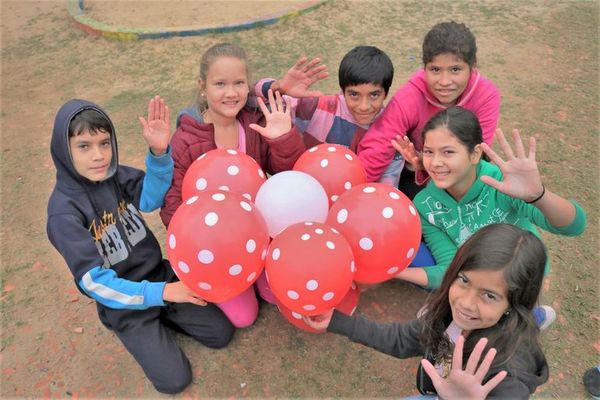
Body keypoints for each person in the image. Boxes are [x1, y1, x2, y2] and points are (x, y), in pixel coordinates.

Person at [46, 97, 234, 394]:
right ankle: (145, 325)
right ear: (63, 150)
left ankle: (163, 313)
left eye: (104, 144)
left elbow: (149, 199)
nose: (99, 156)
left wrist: (159, 153)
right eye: (84, 146)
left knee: (222, 333)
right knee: (174, 380)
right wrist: (160, 294)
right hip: (124, 305)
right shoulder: (63, 213)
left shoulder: (115, 175)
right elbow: (94, 283)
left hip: (159, 275)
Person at [305, 224, 550, 398]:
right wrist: (336, 322)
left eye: (489, 295)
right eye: (464, 280)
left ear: (516, 302)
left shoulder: (510, 379)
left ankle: (533, 319)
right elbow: (402, 339)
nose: (465, 303)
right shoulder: (446, 314)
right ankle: (535, 318)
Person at [393, 107, 587, 327]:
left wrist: (538, 196)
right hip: (475, 279)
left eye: (448, 152)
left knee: (510, 322)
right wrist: (392, 271)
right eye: (428, 152)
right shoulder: (425, 204)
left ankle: (533, 316)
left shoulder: (501, 184)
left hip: (519, 276)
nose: (435, 163)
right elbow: (448, 269)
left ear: (475, 154)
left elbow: (574, 226)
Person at [160, 43, 306, 327]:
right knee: (244, 318)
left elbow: (288, 178)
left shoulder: (254, 123)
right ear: (203, 87)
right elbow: (173, 203)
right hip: (217, 248)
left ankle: (258, 275)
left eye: (239, 83)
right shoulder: (186, 140)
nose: (231, 93)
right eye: (220, 84)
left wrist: (282, 139)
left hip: (259, 234)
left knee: (275, 295)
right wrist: (203, 245)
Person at [357, 21, 500, 199]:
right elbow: (380, 144)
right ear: (424, 68)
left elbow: (480, 155)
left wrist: (430, 164)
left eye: (455, 69)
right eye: (435, 70)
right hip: (416, 176)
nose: (445, 81)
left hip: (460, 177)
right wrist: (353, 191)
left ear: (472, 66)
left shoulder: (486, 95)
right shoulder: (412, 94)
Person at [254, 45, 404, 186]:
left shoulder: (392, 133)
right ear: (343, 90)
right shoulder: (317, 108)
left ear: (386, 93)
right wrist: (280, 88)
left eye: (374, 95)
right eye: (354, 95)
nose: (363, 106)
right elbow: (254, 98)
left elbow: (387, 189)